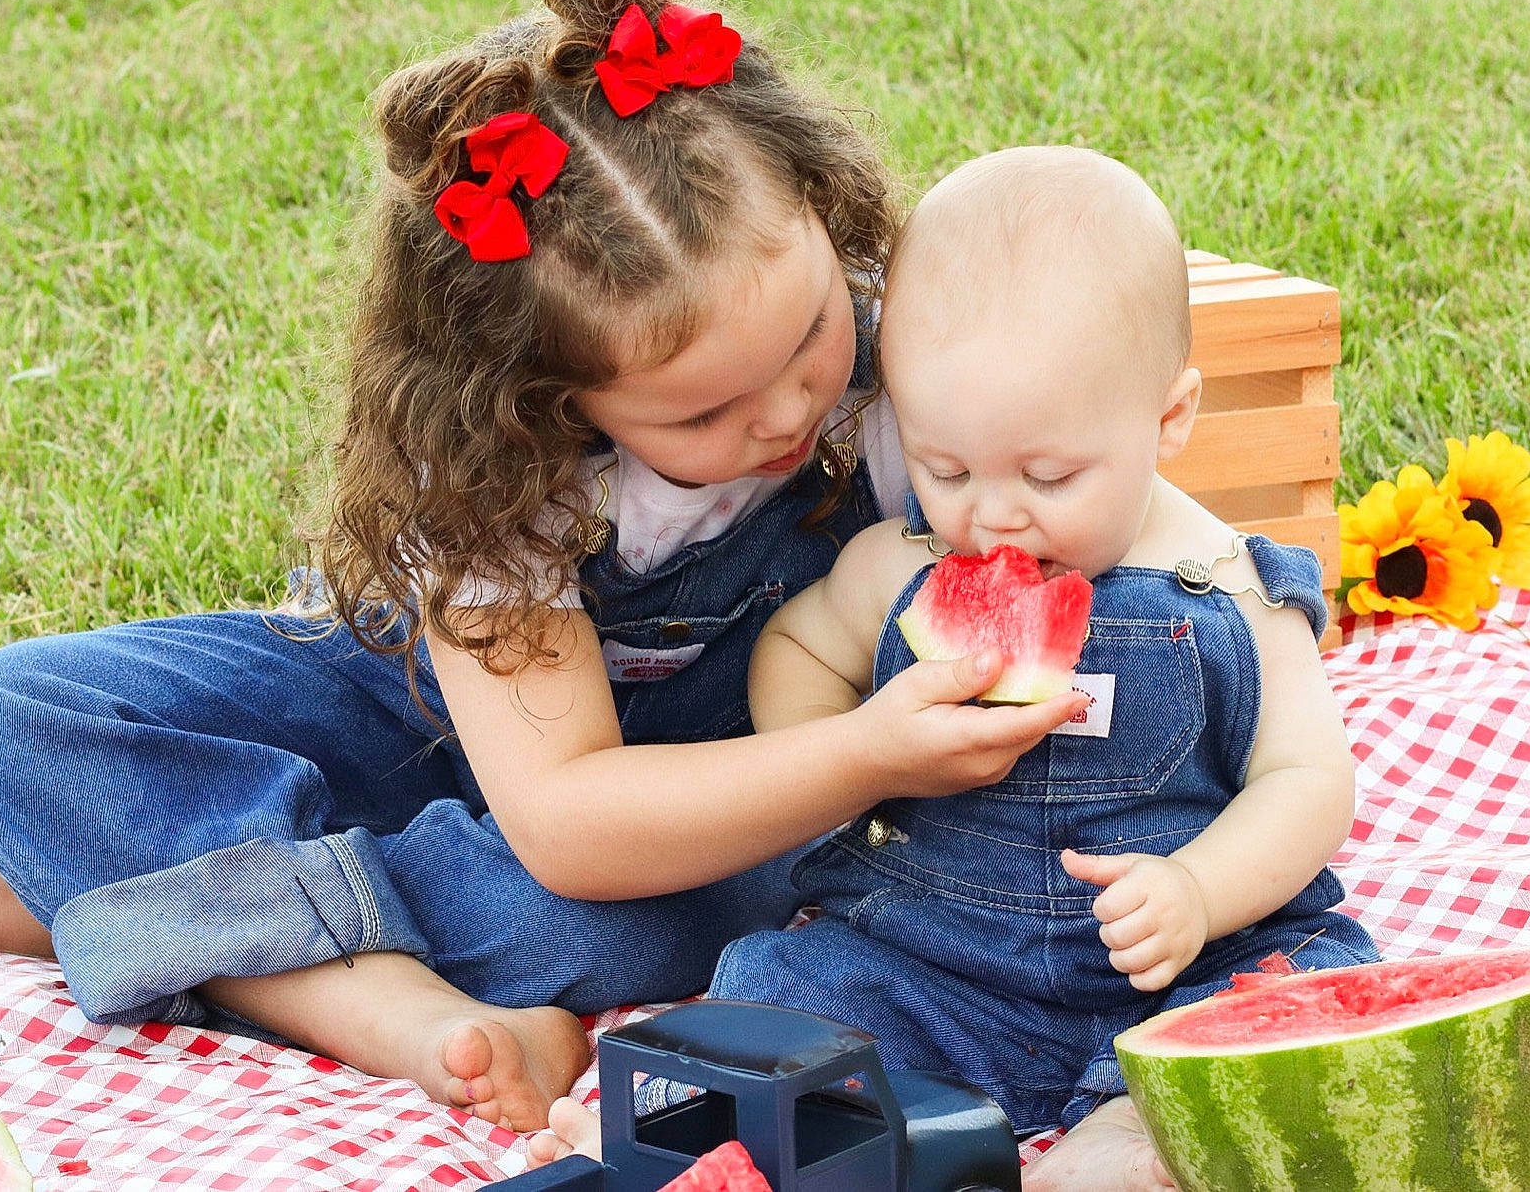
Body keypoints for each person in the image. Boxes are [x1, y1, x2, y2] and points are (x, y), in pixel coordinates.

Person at [0, 0, 1086, 1133]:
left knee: (605, 914)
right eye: (700, 413)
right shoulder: (491, 469)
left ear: (821, 215)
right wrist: (867, 759)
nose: (788, 411)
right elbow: (569, 818)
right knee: (15, 721)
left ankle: (163, 904)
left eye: (807, 338)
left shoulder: (896, 360)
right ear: (543, 397)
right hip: (453, 725)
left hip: (721, 773)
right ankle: (324, 977)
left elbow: (1102, 494)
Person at [532, 146, 1378, 1190]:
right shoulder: (898, 564)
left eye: (1048, 474)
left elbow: (1308, 779)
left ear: (1168, 419)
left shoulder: (1231, 587)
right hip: (926, 958)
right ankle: (686, 1121)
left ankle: (1121, 1139)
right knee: (780, 991)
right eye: (942, 469)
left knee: (1283, 1005)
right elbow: (799, 642)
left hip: (1175, 965)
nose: (990, 514)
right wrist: (838, 754)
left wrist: (1199, 892)